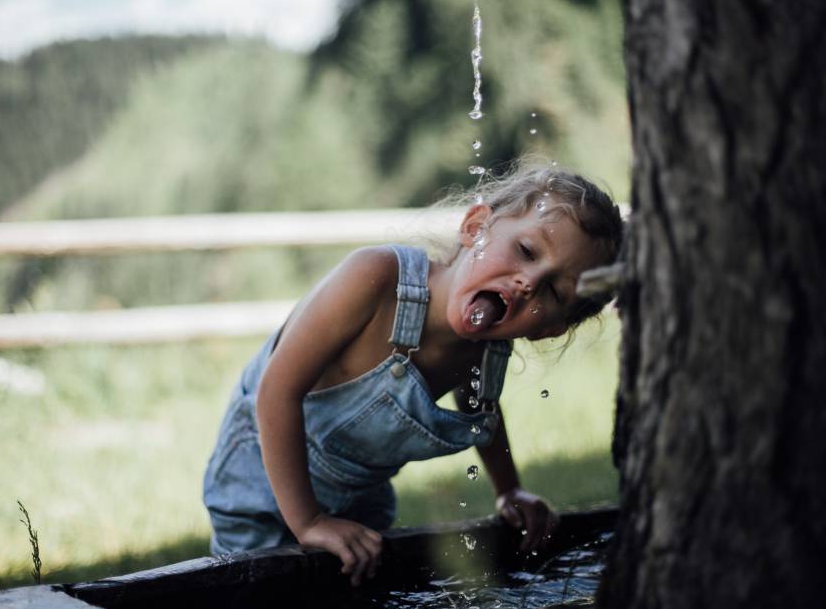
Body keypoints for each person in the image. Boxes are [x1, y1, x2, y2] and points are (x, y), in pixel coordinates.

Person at [203, 159, 624, 586]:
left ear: (548, 328)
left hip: (359, 495)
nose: (528, 283)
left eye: (553, 290)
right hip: (260, 476)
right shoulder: (377, 280)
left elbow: (483, 412)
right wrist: (309, 521)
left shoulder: (487, 347)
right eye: (527, 251)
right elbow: (276, 393)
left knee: (343, 599)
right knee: (254, 592)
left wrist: (508, 489)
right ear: (476, 226)